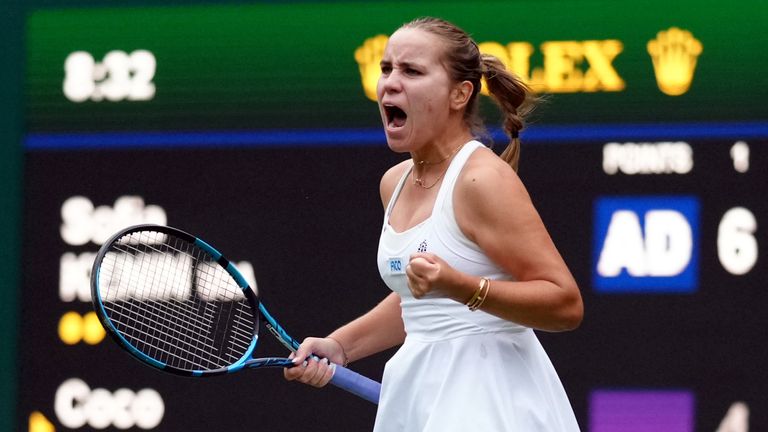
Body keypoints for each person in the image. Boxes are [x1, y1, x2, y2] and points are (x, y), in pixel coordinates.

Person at [285, 16, 583, 431]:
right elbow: (420, 301)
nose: (390, 83)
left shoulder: (483, 180)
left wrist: (459, 285)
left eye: (412, 71)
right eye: (386, 68)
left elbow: (565, 304)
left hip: (494, 402)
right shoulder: (394, 183)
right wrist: (341, 345)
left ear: (459, 94)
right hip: (420, 395)